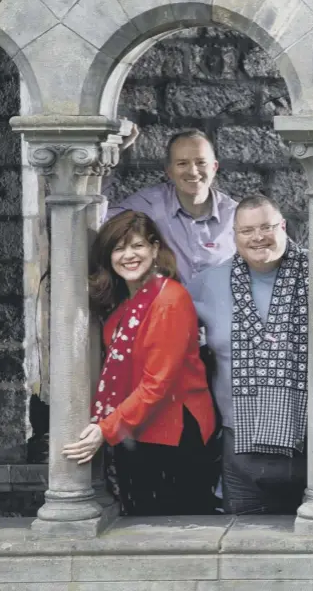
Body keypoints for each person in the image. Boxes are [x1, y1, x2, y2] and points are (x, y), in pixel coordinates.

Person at [188, 193, 313, 515]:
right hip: (246, 457)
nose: (258, 237)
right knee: (248, 554)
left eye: (266, 227)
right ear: (234, 235)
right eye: (247, 230)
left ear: (284, 226)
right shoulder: (208, 284)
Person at [62, 211, 216, 516]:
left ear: (155, 248)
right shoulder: (125, 303)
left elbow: (157, 383)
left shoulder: (169, 300)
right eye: (119, 249)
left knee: (168, 529)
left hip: (173, 433)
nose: (128, 255)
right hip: (140, 429)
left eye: (137, 246)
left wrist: (105, 429)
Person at [106, 128, 237, 285]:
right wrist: (112, 155)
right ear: (169, 171)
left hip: (220, 307)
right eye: (182, 163)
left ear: (214, 167)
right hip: (166, 307)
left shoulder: (235, 216)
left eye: (201, 162)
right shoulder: (150, 204)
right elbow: (98, 220)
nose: (193, 172)